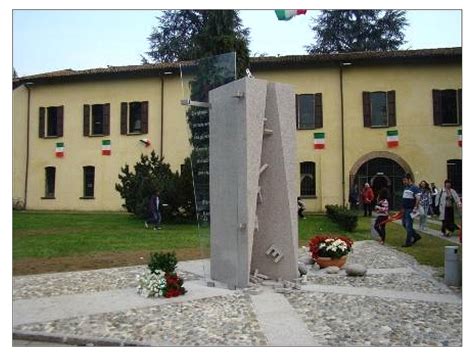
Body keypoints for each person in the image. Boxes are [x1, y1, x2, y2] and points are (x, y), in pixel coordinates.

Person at [401, 173, 422, 247]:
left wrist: (415, 207)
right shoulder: (406, 188)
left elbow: (418, 198)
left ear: (409, 179)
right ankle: (416, 236)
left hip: (410, 209)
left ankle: (408, 242)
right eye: (403, 180)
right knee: (404, 224)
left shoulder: (414, 188)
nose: (404, 182)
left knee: (408, 225)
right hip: (405, 208)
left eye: (405, 180)